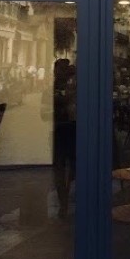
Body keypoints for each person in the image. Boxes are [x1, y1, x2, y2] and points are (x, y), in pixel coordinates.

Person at [52, 59, 76, 218]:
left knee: (66, 169)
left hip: (68, 130)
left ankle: (64, 204)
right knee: (61, 170)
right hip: (62, 131)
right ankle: (63, 204)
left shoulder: (73, 88)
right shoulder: (53, 89)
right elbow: (43, 113)